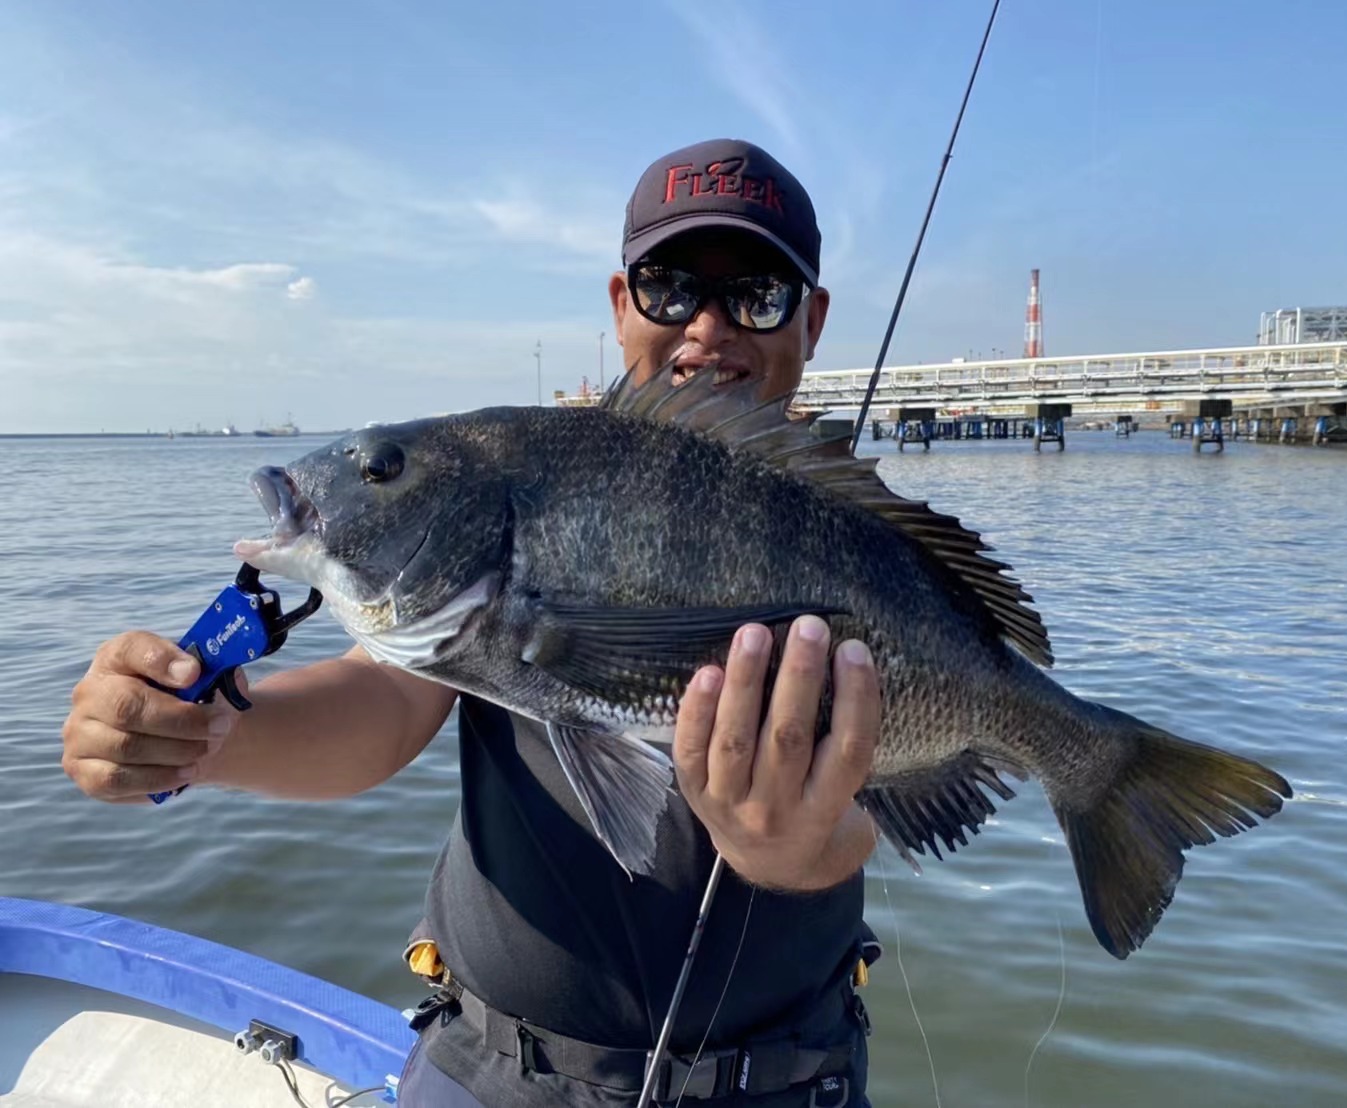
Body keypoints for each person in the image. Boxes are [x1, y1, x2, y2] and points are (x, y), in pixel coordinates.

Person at [59, 138, 883, 1107]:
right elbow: (380, 693)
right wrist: (213, 735)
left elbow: (884, 796)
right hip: (492, 1072)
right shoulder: (523, 485)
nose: (706, 325)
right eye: (668, 286)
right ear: (621, 306)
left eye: (755, 292)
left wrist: (796, 855)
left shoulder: (858, 543)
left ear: (812, 318)